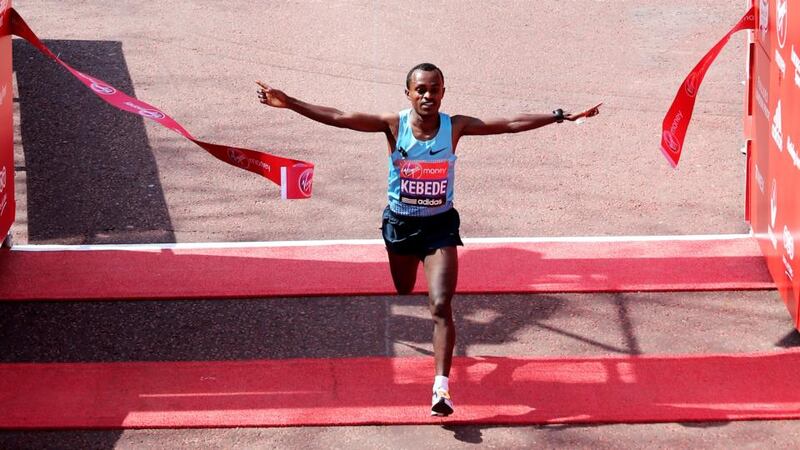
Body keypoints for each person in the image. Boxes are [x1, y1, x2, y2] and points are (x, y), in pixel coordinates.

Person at [256, 63, 600, 417]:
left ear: (443, 93)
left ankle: (441, 389)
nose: (427, 96)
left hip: (440, 228)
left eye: (434, 89)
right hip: (400, 226)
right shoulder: (394, 125)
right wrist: (291, 102)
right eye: (420, 89)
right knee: (404, 289)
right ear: (408, 93)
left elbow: (510, 124)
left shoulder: (456, 127)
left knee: (440, 304)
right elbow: (340, 116)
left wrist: (559, 116)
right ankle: (420, 304)